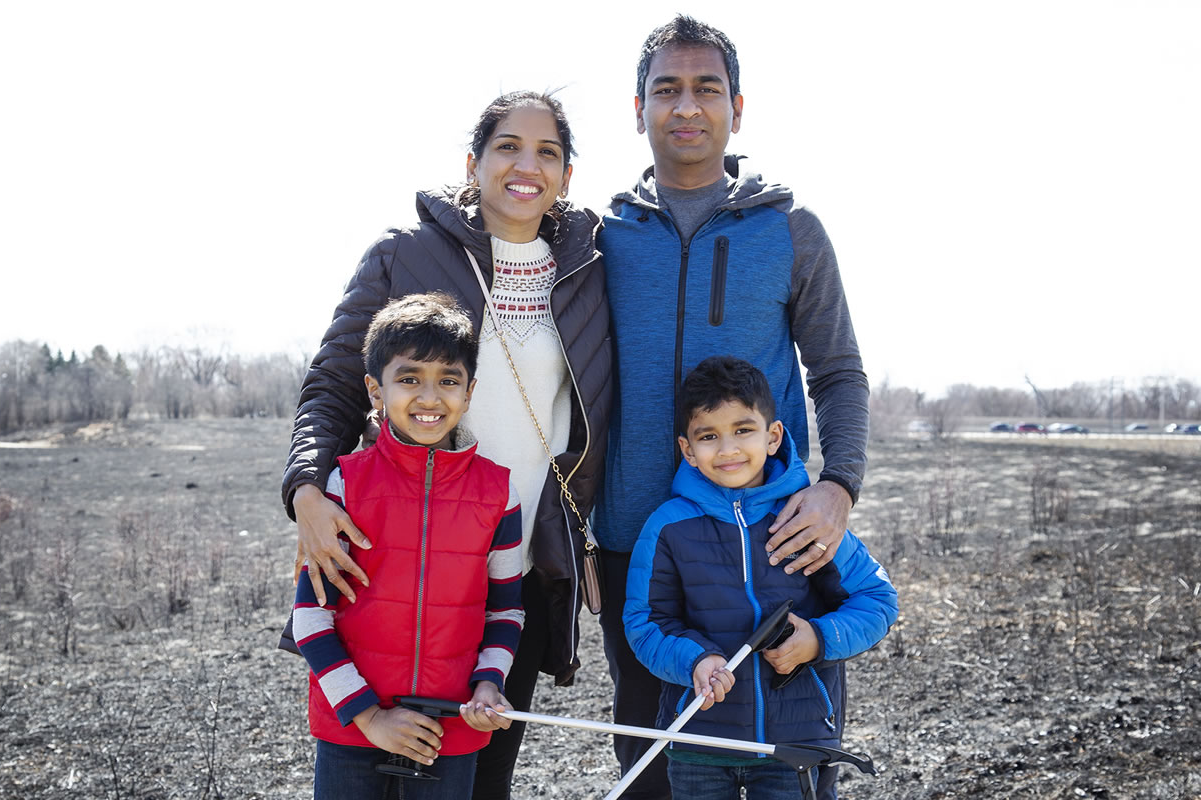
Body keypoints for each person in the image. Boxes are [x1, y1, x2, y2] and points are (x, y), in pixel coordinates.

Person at [282, 91, 611, 799]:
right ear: (473, 162)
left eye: (548, 151)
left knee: (478, 781)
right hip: (394, 560)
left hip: (511, 573)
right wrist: (306, 489)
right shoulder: (405, 255)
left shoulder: (589, 271)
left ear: (567, 175)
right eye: (508, 147)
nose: (527, 165)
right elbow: (334, 383)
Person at [595, 16, 871, 798]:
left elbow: (840, 370)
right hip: (638, 547)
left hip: (775, 542)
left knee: (789, 761)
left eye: (705, 89)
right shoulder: (598, 236)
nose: (686, 107)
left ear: (737, 108)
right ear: (639, 108)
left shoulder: (790, 230)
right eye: (666, 90)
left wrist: (837, 486)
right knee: (653, 765)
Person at [624, 356, 897, 800]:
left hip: (797, 745)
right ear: (687, 450)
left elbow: (877, 600)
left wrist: (818, 639)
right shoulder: (667, 527)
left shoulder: (807, 516)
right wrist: (694, 661)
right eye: (709, 436)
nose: (728, 449)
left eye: (743, 430)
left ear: (773, 437)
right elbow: (645, 623)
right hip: (701, 742)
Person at [292, 293, 523, 799]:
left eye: (448, 380)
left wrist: (489, 683)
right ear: (376, 390)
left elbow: (506, 612)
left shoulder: (499, 493)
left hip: (448, 730)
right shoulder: (343, 486)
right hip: (352, 724)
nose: (429, 396)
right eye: (409, 378)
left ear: (469, 391)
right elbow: (310, 618)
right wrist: (370, 715)